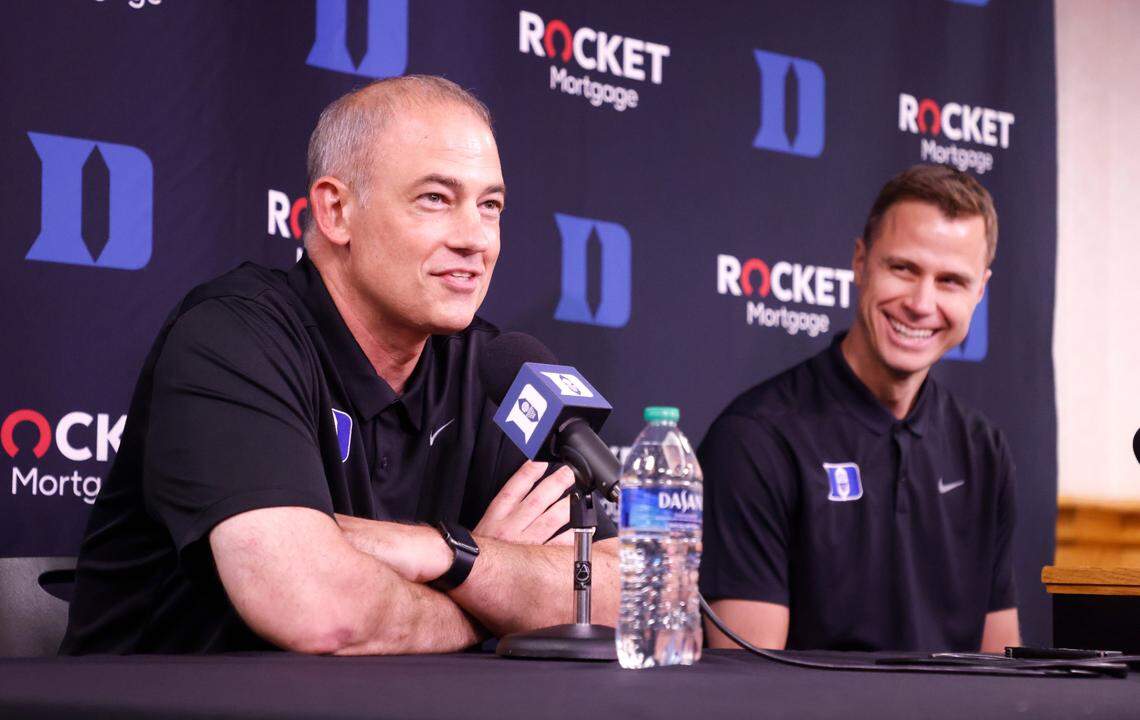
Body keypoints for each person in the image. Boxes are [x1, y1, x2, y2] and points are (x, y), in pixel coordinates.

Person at [60, 75, 618, 655]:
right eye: (435, 198)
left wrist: (443, 552)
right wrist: (489, 599)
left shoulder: (500, 369)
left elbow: (632, 592)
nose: (476, 239)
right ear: (335, 210)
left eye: (491, 205)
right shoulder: (233, 336)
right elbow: (318, 611)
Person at [699, 165, 1019, 652]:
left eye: (951, 280)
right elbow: (747, 682)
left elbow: (1002, 669)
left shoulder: (983, 450)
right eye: (904, 268)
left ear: (980, 292)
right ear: (860, 261)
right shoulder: (755, 441)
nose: (921, 302)